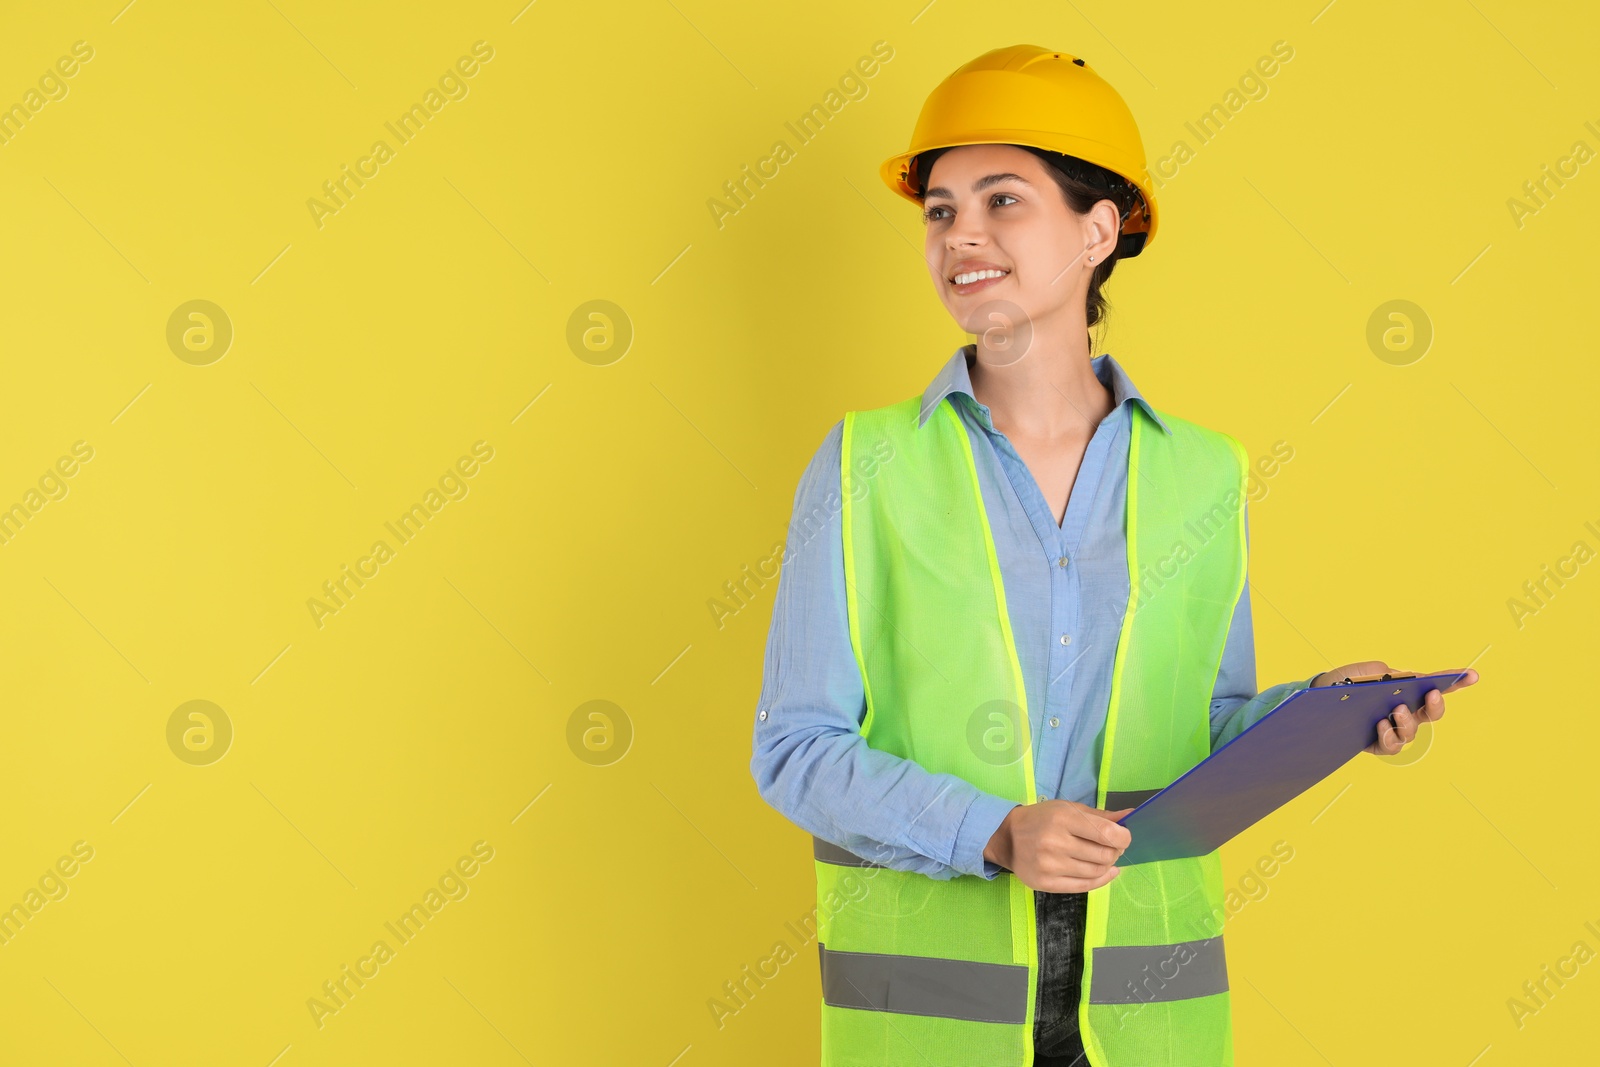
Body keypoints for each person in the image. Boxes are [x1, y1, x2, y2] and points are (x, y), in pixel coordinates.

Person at [749, 44, 1477, 1067]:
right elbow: (795, 748)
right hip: (929, 1022)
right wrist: (996, 828)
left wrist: (1316, 713)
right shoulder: (866, 462)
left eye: (1003, 201)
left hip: (1148, 1018)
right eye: (941, 210)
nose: (962, 236)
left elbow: (1199, 728)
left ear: (1099, 229)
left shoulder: (1204, 475)